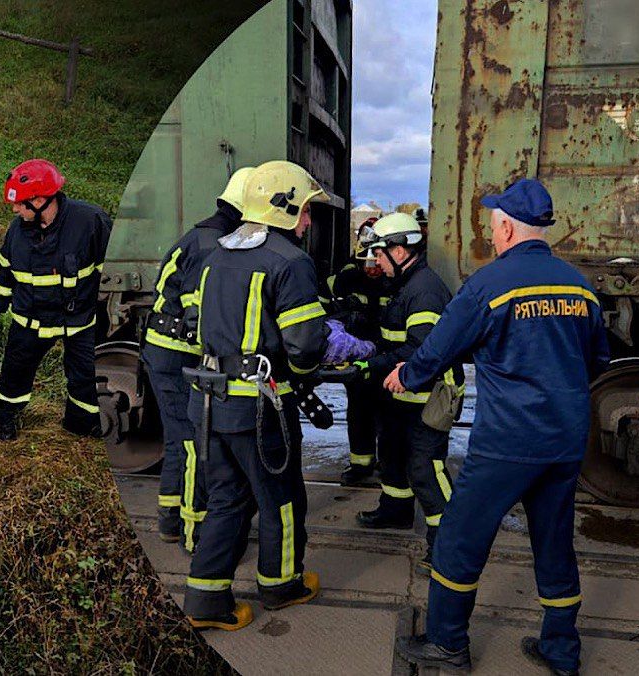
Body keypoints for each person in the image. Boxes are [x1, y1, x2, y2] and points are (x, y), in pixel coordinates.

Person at [390, 179, 609, 675]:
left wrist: (406, 376)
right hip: (565, 442)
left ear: (506, 226)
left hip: (509, 443)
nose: (492, 230)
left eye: (494, 222)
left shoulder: (490, 284)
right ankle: (561, 651)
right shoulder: (580, 286)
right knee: (554, 545)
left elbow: (440, 347)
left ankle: (448, 643)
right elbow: (597, 361)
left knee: (458, 541)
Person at [182, 160, 334, 631]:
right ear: (283, 208)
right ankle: (282, 584)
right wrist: (310, 370)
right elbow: (305, 345)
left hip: (208, 401)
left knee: (228, 498)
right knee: (281, 498)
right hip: (259, 409)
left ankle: (206, 602)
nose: (308, 221)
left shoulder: (214, 254)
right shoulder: (290, 261)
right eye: (306, 210)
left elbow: (195, 326)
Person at [142, 166, 254, 553]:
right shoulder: (215, 243)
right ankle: (195, 535)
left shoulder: (203, 234)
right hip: (178, 355)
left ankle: (171, 521)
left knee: (179, 438)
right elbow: (200, 310)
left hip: (164, 350)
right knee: (192, 441)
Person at [350, 213, 463, 574]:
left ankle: (446, 550)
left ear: (400, 250)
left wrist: (372, 364)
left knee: (425, 470)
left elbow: (421, 349)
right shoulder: (404, 283)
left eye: (380, 255)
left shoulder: (424, 290)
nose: (376, 263)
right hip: (402, 396)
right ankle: (396, 510)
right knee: (394, 455)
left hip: (426, 398)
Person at [0, 159, 113, 441]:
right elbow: (7, 269)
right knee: (15, 373)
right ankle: (6, 417)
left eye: (20, 204)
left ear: (41, 200)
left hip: (78, 320)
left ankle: (82, 422)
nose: (15, 210)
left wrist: (109, 314)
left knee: (85, 376)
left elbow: (112, 274)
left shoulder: (90, 222)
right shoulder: (17, 232)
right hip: (30, 320)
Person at [325, 218, 385, 484]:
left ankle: (388, 461)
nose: (373, 269)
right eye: (367, 263)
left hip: (386, 358)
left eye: (376, 263)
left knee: (387, 413)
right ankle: (360, 464)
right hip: (356, 359)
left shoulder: (396, 281)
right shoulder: (345, 278)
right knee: (359, 411)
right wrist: (344, 316)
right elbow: (324, 311)